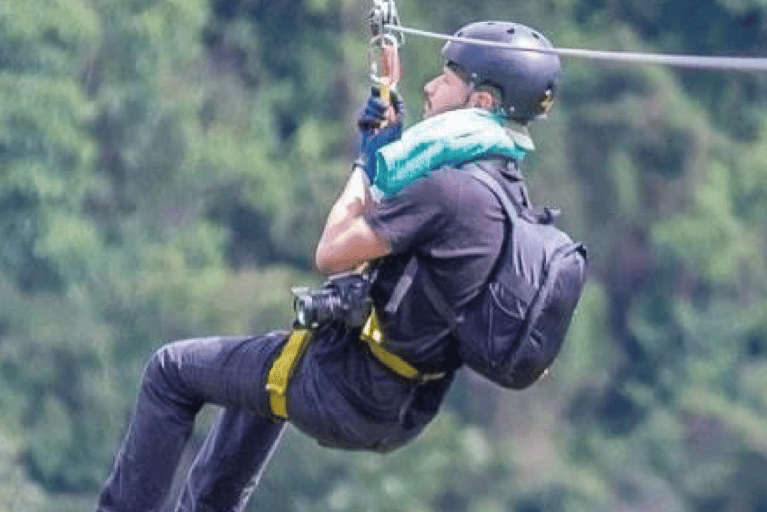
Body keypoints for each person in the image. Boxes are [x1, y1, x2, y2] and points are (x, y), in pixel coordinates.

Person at [96, 20, 563, 512]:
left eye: (448, 77)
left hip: (347, 390)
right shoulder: (508, 201)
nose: (429, 85)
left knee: (170, 373)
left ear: (483, 103)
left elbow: (332, 250)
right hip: (402, 407)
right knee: (252, 382)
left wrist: (368, 162)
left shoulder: (450, 190)